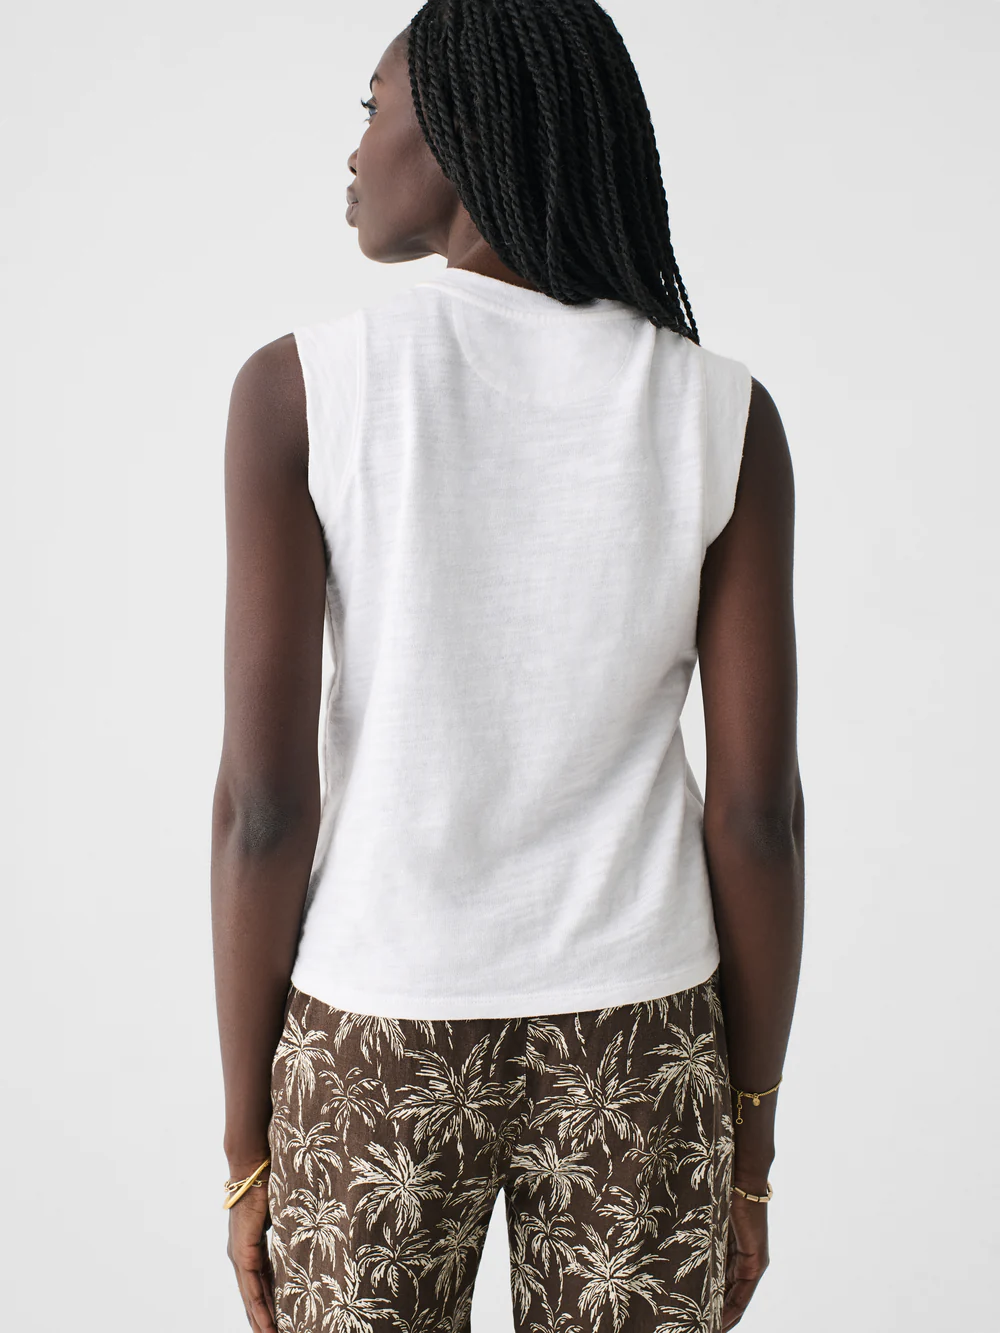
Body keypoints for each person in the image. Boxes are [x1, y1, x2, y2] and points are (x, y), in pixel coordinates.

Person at [211, 3, 804, 1330]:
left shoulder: (302, 390)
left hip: (375, 1030)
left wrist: (248, 1139)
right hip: (643, 1035)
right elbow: (757, 817)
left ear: (460, 132)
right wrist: (750, 1138)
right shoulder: (719, 413)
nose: (354, 149)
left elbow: (263, 808)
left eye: (372, 108)